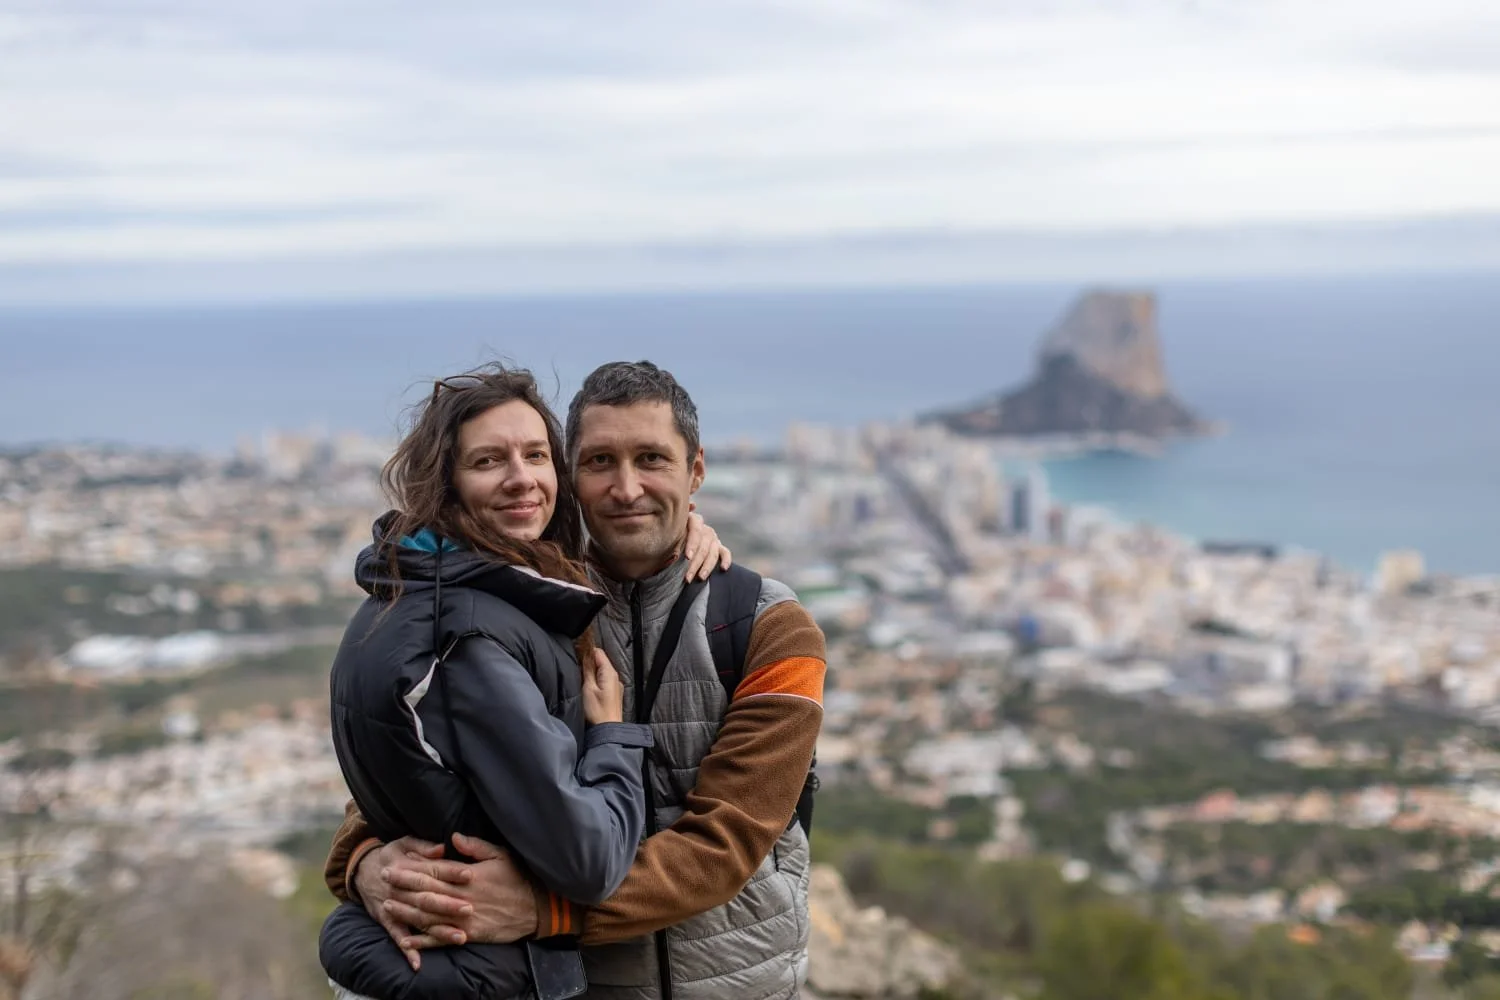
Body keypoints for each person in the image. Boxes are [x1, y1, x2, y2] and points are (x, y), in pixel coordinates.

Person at [325, 361, 828, 1000]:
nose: (626, 488)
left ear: (695, 470)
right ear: (571, 477)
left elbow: (730, 837)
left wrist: (549, 910)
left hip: (733, 981)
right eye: (598, 463)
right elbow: (414, 763)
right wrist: (365, 862)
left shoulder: (770, 626)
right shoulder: (528, 610)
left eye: (652, 459)